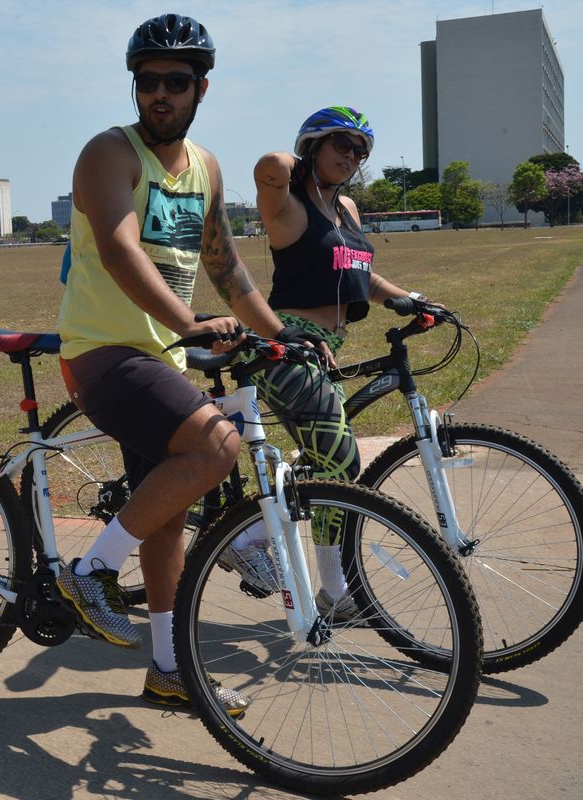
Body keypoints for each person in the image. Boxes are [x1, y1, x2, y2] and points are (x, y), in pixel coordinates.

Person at [54, 14, 312, 716]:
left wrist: (283, 335)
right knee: (216, 444)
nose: (158, 95)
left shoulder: (204, 167)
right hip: (103, 354)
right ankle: (92, 570)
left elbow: (227, 270)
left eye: (174, 82)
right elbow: (117, 249)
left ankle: (170, 671)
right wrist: (189, 324)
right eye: (146, 82)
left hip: (161, 359)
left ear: (201, 87)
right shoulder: (109, 153)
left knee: (166, 515)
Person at [251, 106, 436, 619]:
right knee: (341, 463)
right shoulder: (286, 204)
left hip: (326, 347)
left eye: (360, 151)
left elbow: (362, 276)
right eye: (341, 145)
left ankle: (270, 543)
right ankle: (309, 577)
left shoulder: (348, 209)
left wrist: (411, 300)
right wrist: (306, 159)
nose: (351, 158)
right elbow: (268, 164)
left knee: (325, 460)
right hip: (284, 343)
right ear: (312, 145)